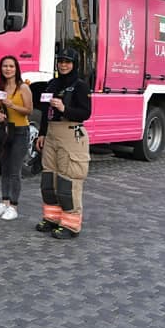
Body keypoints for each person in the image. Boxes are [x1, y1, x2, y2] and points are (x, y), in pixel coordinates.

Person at [34, 48, 92, 239]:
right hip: (51, 133)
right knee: (49, 180)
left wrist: (64, 108)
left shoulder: (81, 86)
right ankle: (52, 218)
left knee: (68, 180)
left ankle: (70, 225)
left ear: (74, 64)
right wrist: (42, 134)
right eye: (61, 61)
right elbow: (45, 112)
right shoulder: (52, 84)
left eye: (67, 62)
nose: (63, 65)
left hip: (70, 133)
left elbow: (85, 113)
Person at [0, 56, 34, 221]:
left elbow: (29, 110)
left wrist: (12, 105)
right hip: (6, 130)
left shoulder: (23, 88)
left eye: (11, 66)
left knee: (15, 170)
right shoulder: (0, 87)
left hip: (20, 131)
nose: (7, 69)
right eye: (4, 66)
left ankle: (14, 206)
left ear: (16, 69)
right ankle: (4, 202)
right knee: (5, 168)